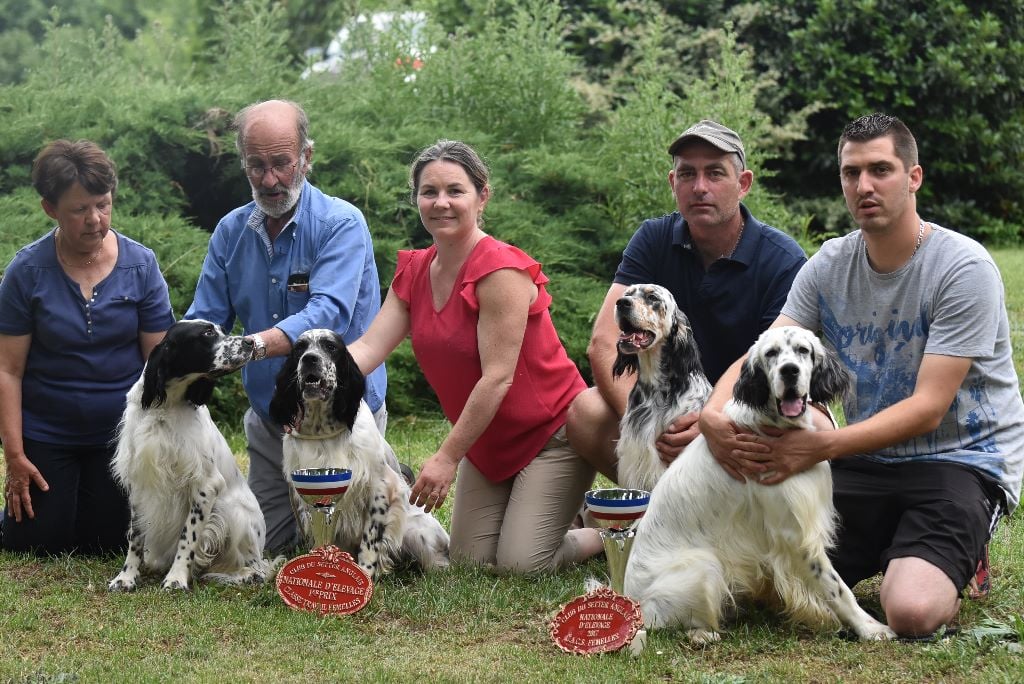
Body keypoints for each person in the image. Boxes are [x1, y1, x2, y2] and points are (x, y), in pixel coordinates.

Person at [700, 113, 1024, 637]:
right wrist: (711, 417)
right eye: (852, 173)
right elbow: (764, 349)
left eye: (881, 170)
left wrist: (822, 447)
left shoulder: (963, 268)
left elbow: (929, 408)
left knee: (911, 612)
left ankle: (957, 551)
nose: (864, 186)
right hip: (868, 460)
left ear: (913, 177)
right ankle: (895, 540)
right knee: (761, 584)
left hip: (959, 462)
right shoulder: (830, 264)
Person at [348, 140, 603, 573]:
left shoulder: (500, 269)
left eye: (455, 190)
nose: (441, 203)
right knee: (469, 562)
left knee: (521, 565)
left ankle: (605, 527)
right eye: (429, 192)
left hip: (550, 436)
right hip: (487, 441)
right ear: (416, 200)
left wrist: (445, 457)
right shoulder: (413, 271)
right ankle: (551, 513)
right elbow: (369, 349)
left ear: (482, 196)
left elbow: (498, 378)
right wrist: (311, 374)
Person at [186, 99, 393, 555]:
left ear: (306, 157)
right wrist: (175, 359)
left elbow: (328, 312)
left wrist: (252, 347)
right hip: (272, 419)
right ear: (243, 163)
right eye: (256, 166)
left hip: (345, 417)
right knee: (268, 551)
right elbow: (205, 318)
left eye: (281, 162)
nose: (270, 179)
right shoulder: (229, 231)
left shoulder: (342, 223)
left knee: (349, 546)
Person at [567, 120, 808, 482]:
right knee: (586, 411)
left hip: (744, 411)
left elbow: (778, 368)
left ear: (743, 184)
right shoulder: (653, 239)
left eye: (715, 174)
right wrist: (648, 426)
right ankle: (644, 515)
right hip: (663, 411)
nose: (699, 188)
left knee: (791, 427)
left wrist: (714, 423)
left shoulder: (782, 260)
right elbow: (603, 343)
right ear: (672, 183)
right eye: (687, 174)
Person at [0, 139, 174, 554]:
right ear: (50, 209)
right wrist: (15, 457)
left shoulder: (141, 265)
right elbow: (8, 370)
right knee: (39, 543)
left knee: (107, 544)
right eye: (80, 209)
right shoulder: (26, 271)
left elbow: (161, 363)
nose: (95, 219)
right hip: (46, 433)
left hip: (120, 435)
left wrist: (163, 444)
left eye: (104, 204)